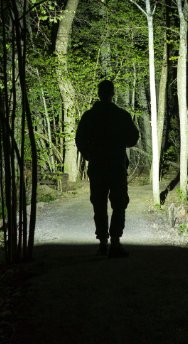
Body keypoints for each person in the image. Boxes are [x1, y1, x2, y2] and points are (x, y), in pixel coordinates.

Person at [75, 80, 139, 258]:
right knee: (119, 203)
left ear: (98, 93)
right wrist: (120, 143)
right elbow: (133, 138)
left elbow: (79, 139)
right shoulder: (121, 115)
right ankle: (115, 243)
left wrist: (89, 154)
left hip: (97, 166)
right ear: (112, 93)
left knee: (99, 204)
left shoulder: (89, 116)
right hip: (117, 166)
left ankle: (103, 243)